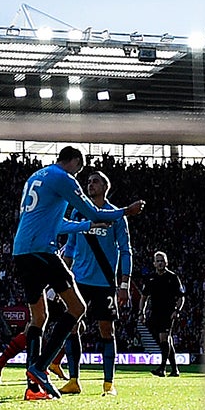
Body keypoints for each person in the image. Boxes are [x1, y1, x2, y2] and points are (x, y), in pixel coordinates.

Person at [6, 146, 142, 402]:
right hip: (43, 251)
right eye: (81, 170)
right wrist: (126, 211)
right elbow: (93, 211)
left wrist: (88, 225)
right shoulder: (63, 178)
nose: (81, 177)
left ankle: (33, 388)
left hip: (21, 251)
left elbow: (59, 222)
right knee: (77, 309)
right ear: (75, 161)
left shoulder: (35, 177)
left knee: (39, 318)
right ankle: (40, 367)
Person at [65, 169, 133, 396]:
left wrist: (124, 284)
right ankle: (73, 380)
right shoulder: (77, 213)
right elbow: (70, 248)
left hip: (104, 282)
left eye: (95, 182)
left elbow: (126, 250)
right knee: (72, 327)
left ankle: (108, 384)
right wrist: (62, 275)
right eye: (89, 182)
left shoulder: (117, 216)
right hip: (79, 280)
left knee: (107, 330)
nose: (90, 185)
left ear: (105, 187)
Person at [141, 251, 184, 377]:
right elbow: (144, 297)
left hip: (168, 313)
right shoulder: (150, 278)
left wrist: (177, 310)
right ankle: (175, 370)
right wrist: (141, 312)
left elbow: (181, 297)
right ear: (154, 263)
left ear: (166, 262)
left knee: (164, 338)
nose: (160, 263)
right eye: (158, 261)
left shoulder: (173, 277)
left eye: (162, 261)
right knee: (166, 341)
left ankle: (162, 368)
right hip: (155, 314)